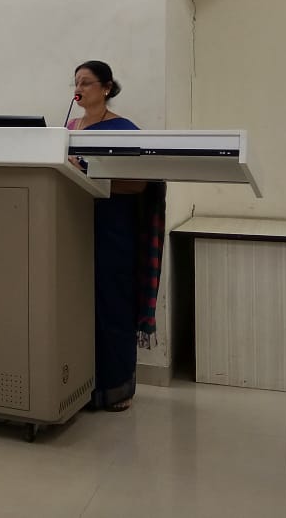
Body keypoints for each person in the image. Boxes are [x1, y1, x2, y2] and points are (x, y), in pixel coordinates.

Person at [67, 60, 166, 412]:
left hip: (113, 229)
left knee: (113, 306)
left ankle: (116, 389)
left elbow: (138, 183)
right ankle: (77, 386)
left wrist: (89, 174)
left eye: (86, 82)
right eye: (75, 83)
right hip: (73, 226)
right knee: (77, 307)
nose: (78, 89)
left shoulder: (124, 129)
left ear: (106, 88)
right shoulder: (68, 128)